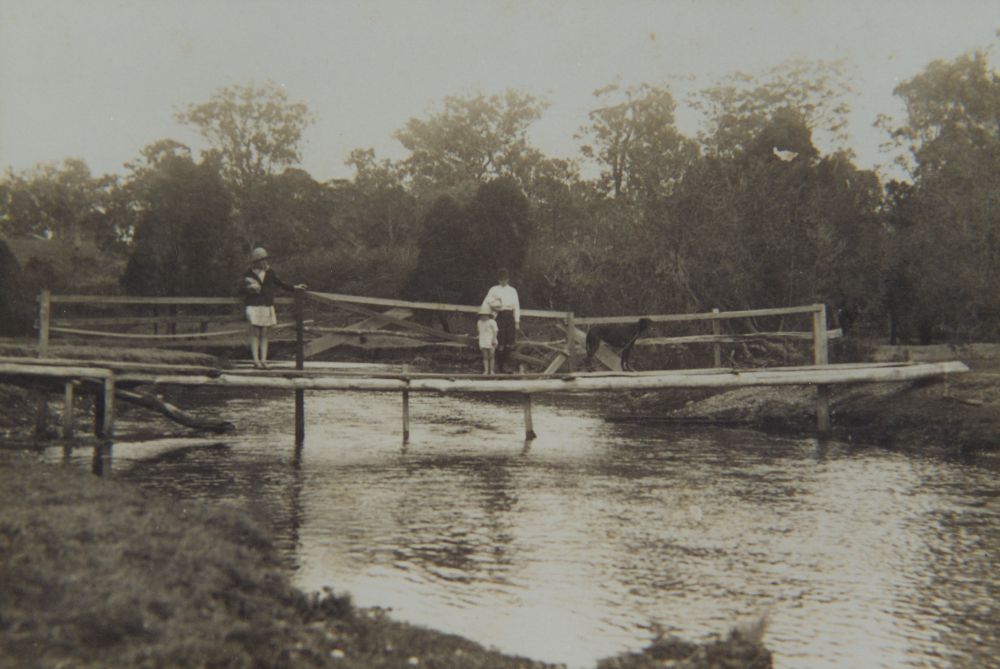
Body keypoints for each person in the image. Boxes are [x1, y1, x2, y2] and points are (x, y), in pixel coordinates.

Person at [243, 247, 305, 369]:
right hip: (253, 305)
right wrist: (249, 288)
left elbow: (280, 283)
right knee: (255, 332)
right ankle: (256, 361)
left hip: (266, 305)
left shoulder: (270, 273)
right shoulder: (248, 274)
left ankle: (264, 360)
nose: (264, 262)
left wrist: (295, 287)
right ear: (256, 261)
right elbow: (240, 290)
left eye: (265, 259)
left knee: (265, 333)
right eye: (261, 260)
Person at [481, 268, 520, 373]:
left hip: (510, 316)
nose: (503, 282)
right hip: (499, 316)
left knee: (509, 343)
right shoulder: (493, 289)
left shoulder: (512, 291)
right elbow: (487, 302)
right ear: (498, 280)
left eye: (505, 279)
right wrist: (491, 311)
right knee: (499, 342)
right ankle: (498, 365)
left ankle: (505, 365)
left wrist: (517, 321)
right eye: (501, 280)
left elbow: (516, 306)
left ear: (508, 280)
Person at [476, 304, 499, 375]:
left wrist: (494, 339)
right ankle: (486, 370)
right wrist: (478, 336)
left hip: (491, 340)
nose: (483, 316)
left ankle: (491, 370)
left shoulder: (492, 322)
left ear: (489, 315)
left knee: (491, 355)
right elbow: (480, 331)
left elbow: (496, 331)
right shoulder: (479, 322)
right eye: (482, 315)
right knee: (485, 356)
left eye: (485, 315)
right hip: (483, 340)